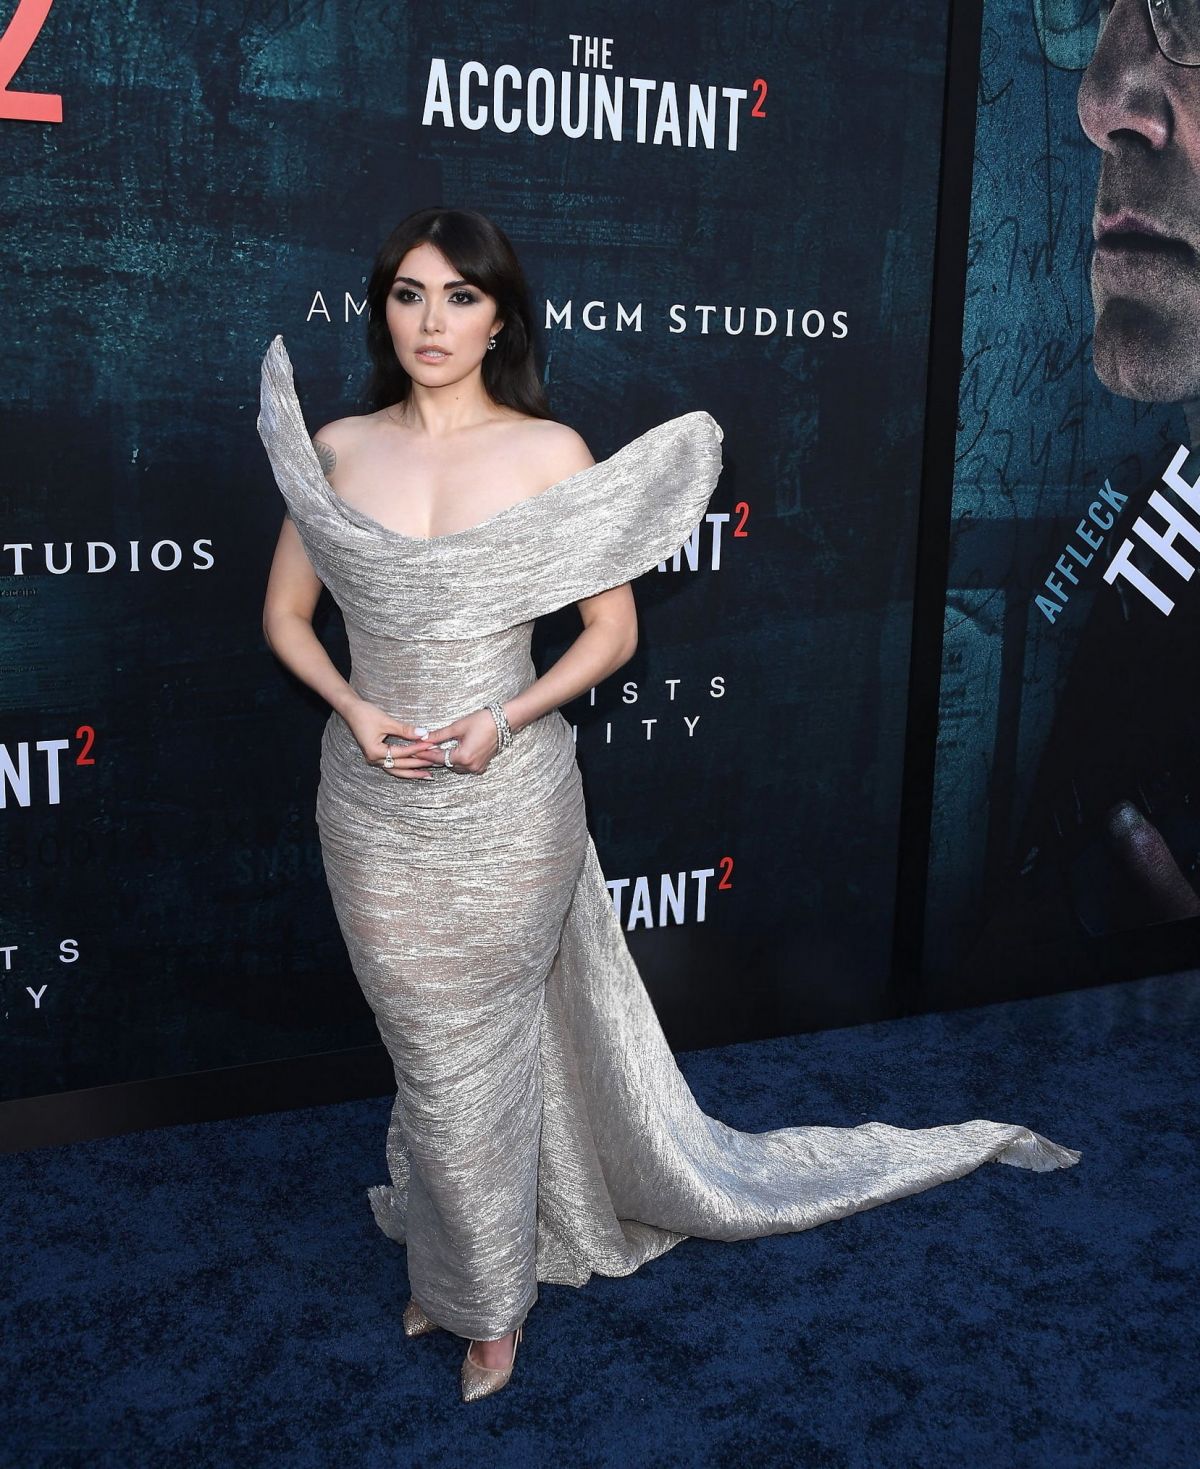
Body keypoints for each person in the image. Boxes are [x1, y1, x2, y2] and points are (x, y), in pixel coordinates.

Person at [257, 205, 1079, 1404]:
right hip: (373, 805)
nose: (433, 320)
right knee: (428, 1048)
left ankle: (487, 1301)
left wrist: (504, 717)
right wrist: (352, 703)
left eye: (461, 296)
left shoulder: (552, 453)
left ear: (500, 320)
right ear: (381, 310)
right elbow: (285, 615)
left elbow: (612, 634)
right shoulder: (336, 447)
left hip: (507, 799)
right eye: (409, 294)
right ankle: (458, 1250)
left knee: (479, 1042)